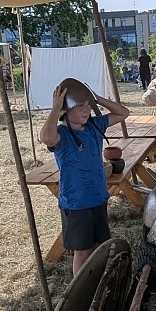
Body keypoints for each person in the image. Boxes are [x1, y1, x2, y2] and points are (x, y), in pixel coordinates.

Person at [39, 83, 130, 274]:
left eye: (88, 105)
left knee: (99, 247)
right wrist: (56, 107)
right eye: (80, 105)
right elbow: (46, 137)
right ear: (66, 110)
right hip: (76, 203)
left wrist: (97, 100)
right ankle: (81, 287)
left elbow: (123, 113)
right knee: (82, 251)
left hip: (98, 198)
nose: (86, 110)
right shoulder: (61, 134)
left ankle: (96, 282)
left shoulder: (94, 126)